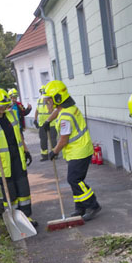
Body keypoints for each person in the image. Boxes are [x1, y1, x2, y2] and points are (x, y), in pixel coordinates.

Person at [45, 80, 101, 221]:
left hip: (79, 152)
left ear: (57, 99)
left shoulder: (66, 117)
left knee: (74, 179)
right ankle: (80, 207)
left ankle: (92, 205)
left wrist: (54, 151)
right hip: (80, 150)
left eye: (49, 100)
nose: (48, 103)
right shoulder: (69, 107)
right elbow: (57, 111)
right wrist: (47, 121)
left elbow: (63, 139)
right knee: (75, 179)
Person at [0, 87, 36, 226]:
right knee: (10, 194)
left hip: (17, 158)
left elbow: (19, 136)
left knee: (24, 190)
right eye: (0, 105)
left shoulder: (11, 116)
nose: (4, 107)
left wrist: (26, 150)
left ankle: (26, 217)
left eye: (5, 104)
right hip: (3, 164)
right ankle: (14, 220)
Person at [33, 84, 58, 162]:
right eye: (42, 93)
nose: (43, 96)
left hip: (51, 124)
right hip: (41, 124)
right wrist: (35, 119)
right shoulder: (39, 100)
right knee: (43, 140)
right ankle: (44, 155)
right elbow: (37, 110)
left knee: (53, 139)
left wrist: (49, 103)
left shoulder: (51, 101)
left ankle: (55, 154)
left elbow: (51, 111)